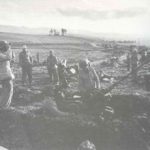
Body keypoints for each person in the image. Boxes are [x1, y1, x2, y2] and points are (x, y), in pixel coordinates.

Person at [0, 41, 14, 109]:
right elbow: (8, 57)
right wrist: (9, 48)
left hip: (4, 76)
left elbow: (11, 58)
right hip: (4, 76)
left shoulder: (2, 54)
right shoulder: (1, 55)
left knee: (7, 92)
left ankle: (4, 107)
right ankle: (3, 108)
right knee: (7, 92)